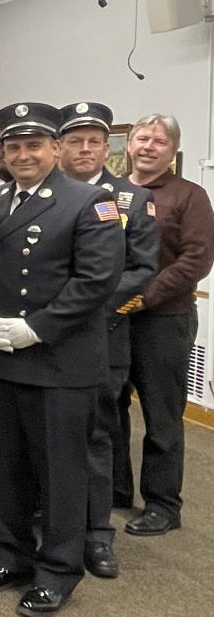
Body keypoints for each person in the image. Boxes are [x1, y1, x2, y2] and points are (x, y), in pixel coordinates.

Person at [0, 102, 123, 617]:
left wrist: (37, 328)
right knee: (2, 469)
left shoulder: (90, 201)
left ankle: (57, 571)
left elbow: (96, 281)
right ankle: (12, 556)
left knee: (60, 475)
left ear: (55, 148)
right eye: (12, 146)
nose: (23, 155)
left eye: (33, 145)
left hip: (58, 363)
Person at [56, 101, 157, 578]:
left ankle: (96, 534)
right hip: (43, 338)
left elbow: (142, 269)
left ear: (108, 148)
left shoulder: (132, 200)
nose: (85, 149)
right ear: (60, 146)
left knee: (96, 437)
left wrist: (82, 304)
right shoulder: (41, 195)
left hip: (101, 336)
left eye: (94, 141)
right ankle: (41, 516)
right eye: (75, 140)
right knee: (39, 433)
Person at [123, 113, 214, 536]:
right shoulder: (112, 191)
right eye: (142, 138)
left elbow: (196, 260)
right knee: (109, 410)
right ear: (129, 144)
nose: (148, 147)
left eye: (159, 142)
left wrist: (144, 296)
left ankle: (162, 504)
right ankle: (115, 490)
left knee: (161, 416)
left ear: (172, 151)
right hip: (111, 320)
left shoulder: (189, 196)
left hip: (163, 321)